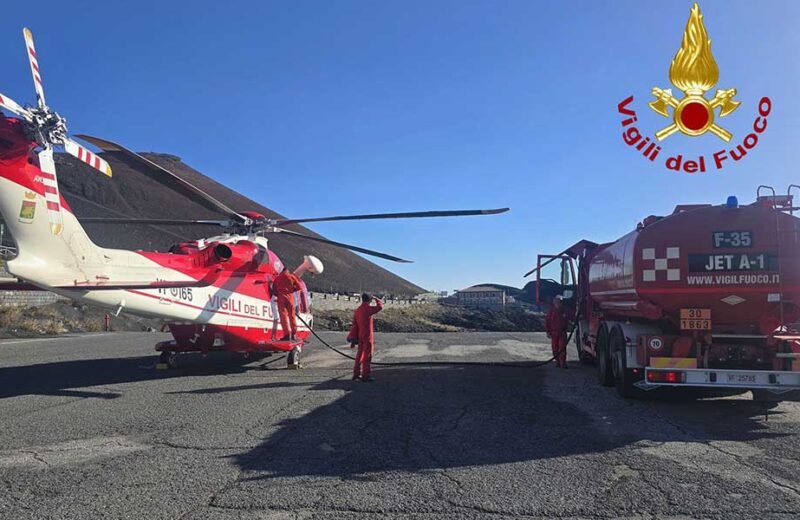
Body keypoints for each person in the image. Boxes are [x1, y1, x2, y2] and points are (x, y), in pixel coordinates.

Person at [351, 293, 384, 382]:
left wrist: (353, 338)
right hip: (367, 335)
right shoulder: (368, 309)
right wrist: (377, 299)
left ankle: (356, 373)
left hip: (360, 334)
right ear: (370, 300)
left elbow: (354, 324)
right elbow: (380, 307)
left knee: (359, 354)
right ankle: (366, 375)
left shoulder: (358, 310)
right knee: (367, 355)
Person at [272, 267, 303, 341]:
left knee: (283, 316)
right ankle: (294, 333)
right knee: (292, 316)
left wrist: (279, 293)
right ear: (287, 271)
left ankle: (287, 334)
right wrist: (292, 290)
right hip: (290, 297)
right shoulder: (292, 276)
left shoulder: (277, 278)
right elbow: (299, 287)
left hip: (281, 297)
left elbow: (274, 291)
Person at [545, 295, 573, 369]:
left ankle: (562, 362)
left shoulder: (565, 310)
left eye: (559, 302)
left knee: (562, 348)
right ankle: (557, 361)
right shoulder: (551, 311)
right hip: (554, 332)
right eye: (556, 302)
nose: (558, 303)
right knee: (555, 348)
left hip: (562, 332)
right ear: (554, 302)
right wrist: (548, 332)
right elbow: (547, 322)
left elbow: (572, 317)